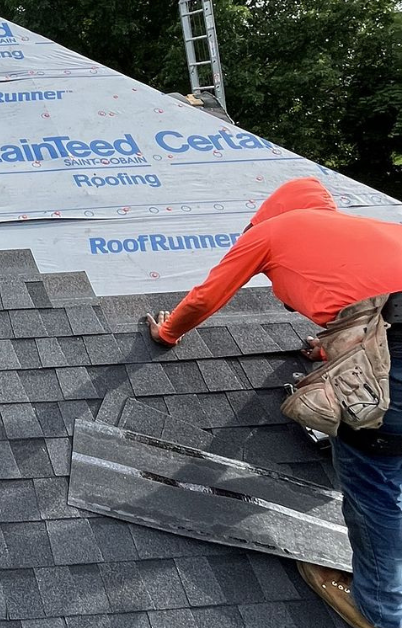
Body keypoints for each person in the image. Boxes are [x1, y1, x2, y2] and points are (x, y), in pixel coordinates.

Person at [143, 177, 402, 628]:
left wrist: (167, 333)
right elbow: (376, 306)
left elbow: (207, 297)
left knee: (374, 486)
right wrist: (330, 350)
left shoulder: (272, 232)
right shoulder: (375, 231)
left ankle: (383, 613)